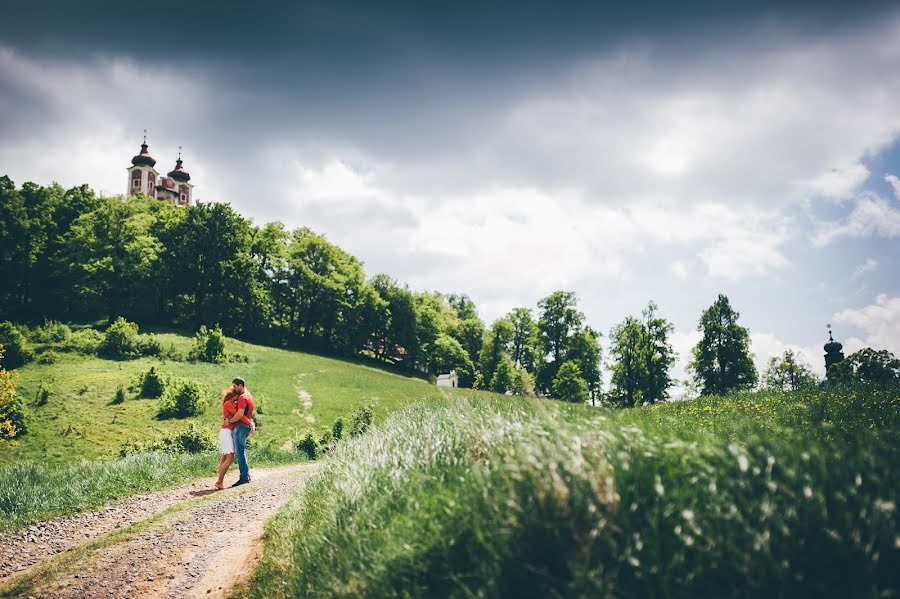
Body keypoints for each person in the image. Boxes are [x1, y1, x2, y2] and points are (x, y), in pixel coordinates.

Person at [214, 385, 252, 490]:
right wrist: (250, 424)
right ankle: (219, 482)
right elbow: (239, 415)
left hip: (226, 432)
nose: (237, 400)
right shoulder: (228, 404)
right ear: (233, 396)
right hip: (226, 433)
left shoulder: (229, 404)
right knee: (230, 458)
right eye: (237, 397)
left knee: (225, 457)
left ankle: (219, 480)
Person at [225, 377, 255, 487]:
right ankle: (245, 475)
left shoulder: (242, 397)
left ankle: (244, 477)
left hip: (241, 427)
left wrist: (230, 421)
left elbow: (240, 414)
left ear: (240, 385)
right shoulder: (249, 395)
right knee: (241, 451)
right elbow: (249, 414)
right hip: (246, 425)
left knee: (240, 452)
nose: (234, 388)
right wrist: (251, 423)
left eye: (235, 386)